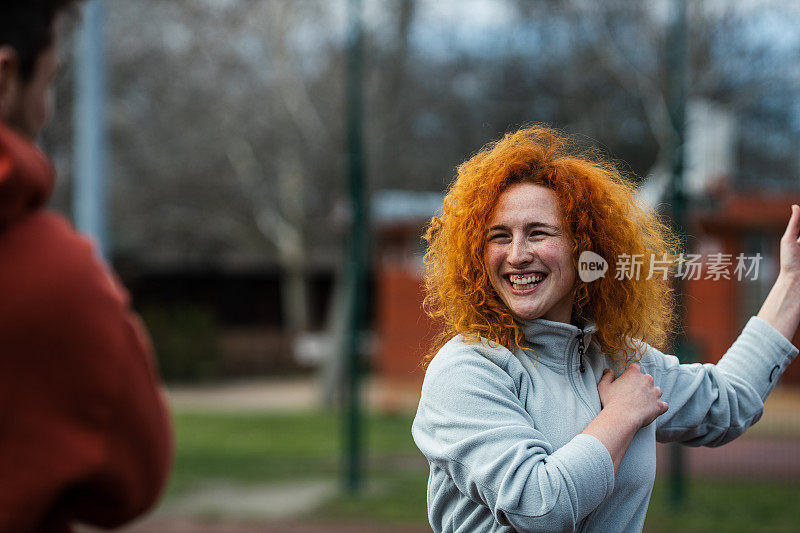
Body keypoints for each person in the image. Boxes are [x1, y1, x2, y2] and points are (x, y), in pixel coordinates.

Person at [412, 125, 800, 532]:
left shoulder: (618, 358)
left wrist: (791, 281)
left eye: (538, 233)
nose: (517, 255)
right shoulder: (465, 371)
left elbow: (729, 403)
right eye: (499, 236)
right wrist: (622, 415)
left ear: (586, 247)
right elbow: (540, 507)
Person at [0, 1, 172, 531]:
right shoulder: (53, 276)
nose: (46, 111)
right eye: (47, 83)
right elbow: (137, 476)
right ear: (6, 77)